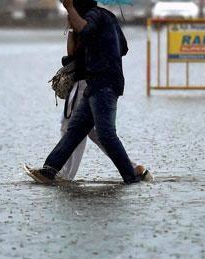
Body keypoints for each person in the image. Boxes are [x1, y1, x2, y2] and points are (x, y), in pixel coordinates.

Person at [27, 0, 149, 185]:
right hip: (95, 84)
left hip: (104, 83)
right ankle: (49, 171)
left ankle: (132, 175)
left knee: (106, 134)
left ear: (78, 4)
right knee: (75, 130)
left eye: (72, 4)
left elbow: (85, 30)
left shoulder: (95, 16)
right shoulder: (106, 17)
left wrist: (69, 9)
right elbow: (122, 47)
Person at [59, 22, 150, 180]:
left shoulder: (85, 23)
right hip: (92, 82)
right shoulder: (98, 22)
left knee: (72, 127)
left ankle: (64, 173)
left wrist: (72, 28)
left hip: (86, 83)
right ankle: (132, 167)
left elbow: (72, 53)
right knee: (95, 132)